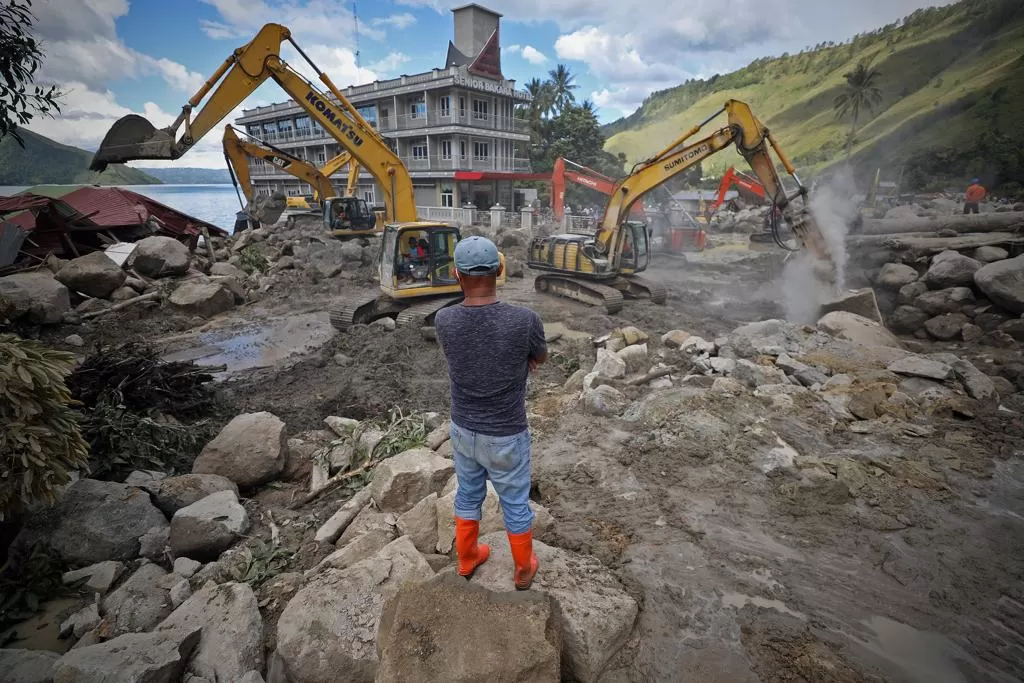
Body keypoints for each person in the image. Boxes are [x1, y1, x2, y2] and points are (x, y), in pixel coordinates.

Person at [435, 236, 548, 589]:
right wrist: (523, 358)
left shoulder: (444, 320)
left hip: (463, 430)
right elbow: (540, 356)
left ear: (456, 275)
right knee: (515, 501)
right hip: (506, 433)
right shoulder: (524, 319)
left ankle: (468, 559)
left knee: (468, 495)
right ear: (500, 270)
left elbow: (465, 356)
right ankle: (524, 568)